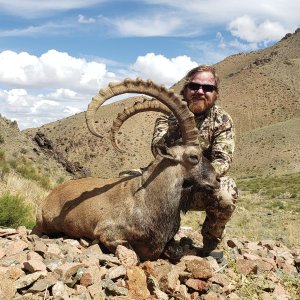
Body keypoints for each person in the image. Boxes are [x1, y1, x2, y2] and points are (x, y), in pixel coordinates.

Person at [151, 65, 239, 256]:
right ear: (185, 90)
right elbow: (157, 151)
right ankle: (152, 237)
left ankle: (208, 244)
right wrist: (175, 127)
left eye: (208, 88)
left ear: (215, 94)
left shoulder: (222, 120)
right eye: (194, 86)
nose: (200, 91)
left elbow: (222, 161)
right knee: (128, 180)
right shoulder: (168, 115)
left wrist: (194, 179)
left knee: (226, 191)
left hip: (200, 186)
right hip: (168, 184)